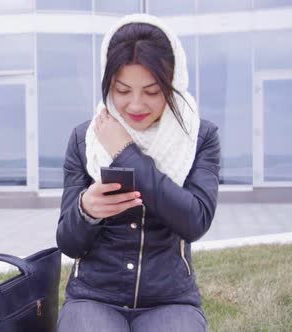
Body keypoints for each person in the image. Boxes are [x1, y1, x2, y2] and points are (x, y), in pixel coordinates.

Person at [56, 14, 220, 332]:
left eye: (152, 91)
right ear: (108, 86)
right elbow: (68, 243)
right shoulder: (84, 139)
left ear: (173, 84)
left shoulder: (200, 137)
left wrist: (125, 153)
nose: (135, 104)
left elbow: (194, 221)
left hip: (171, 300)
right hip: (94, 297)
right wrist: (85, 210)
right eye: (122, 90)